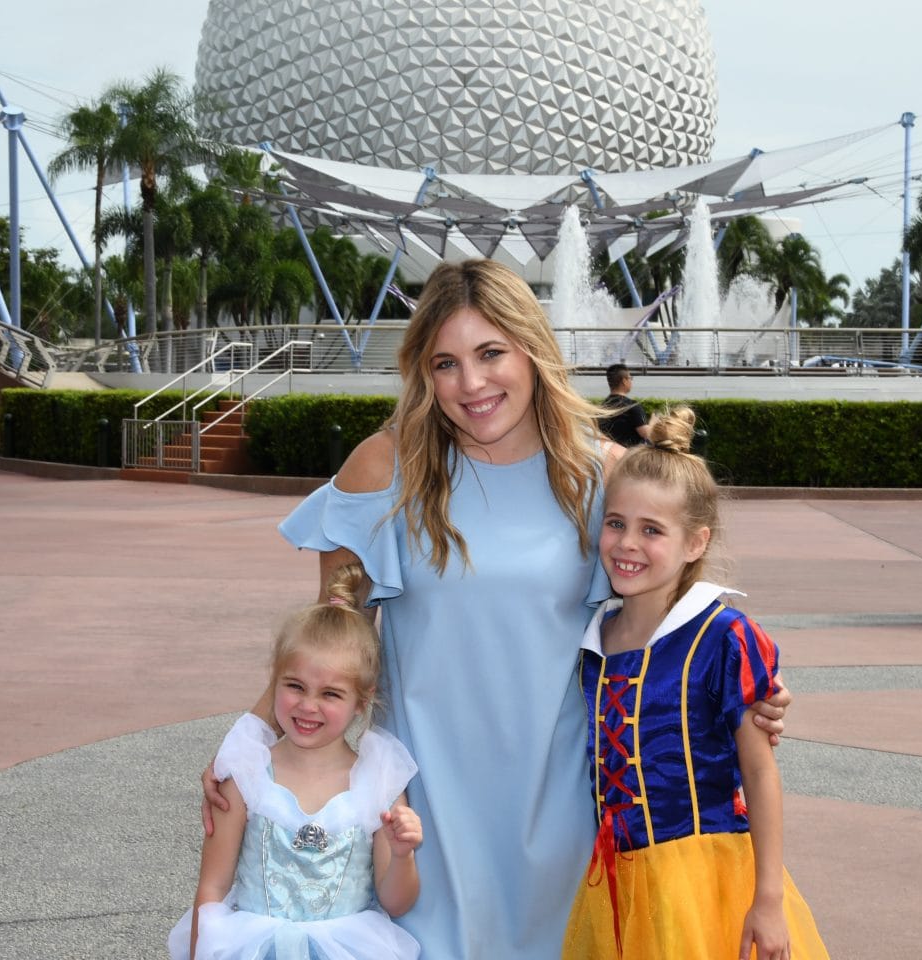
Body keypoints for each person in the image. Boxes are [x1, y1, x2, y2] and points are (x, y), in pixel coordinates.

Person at [204, 258, 791, 960]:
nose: (471, 384)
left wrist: (746, 692)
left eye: (490, 354)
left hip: (560, 810)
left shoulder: (604, 474)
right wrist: (243, 747)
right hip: (419, 819)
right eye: (445, 363)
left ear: (532, 351)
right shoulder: (382, 469)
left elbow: (657, 625)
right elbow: (332, 643)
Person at [561, 406, 828, 960]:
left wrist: (769, 898)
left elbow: (758, 769)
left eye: (652, 530)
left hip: (705, 877)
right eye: (616, 523)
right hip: (615, 883)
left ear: (695, 543)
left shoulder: (721, 636)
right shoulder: (593, 641)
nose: (627, 543)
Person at [169, 563, 423, 960]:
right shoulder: (247, 774)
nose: (308, 706)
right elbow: (212, 888)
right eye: (295, 686)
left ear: (363, 699)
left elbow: (396, 902)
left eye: (331, 694)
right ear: (276, 678)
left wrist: (403, 854)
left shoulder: (379, 781)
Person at [599, 363, 649, 447]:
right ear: (624, 381)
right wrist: (654, 423)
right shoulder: (632, 406)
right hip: (629, 456)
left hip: (607, 455)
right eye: (630, 378)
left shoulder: (602, 407)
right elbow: (646, 433)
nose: (631, 381)